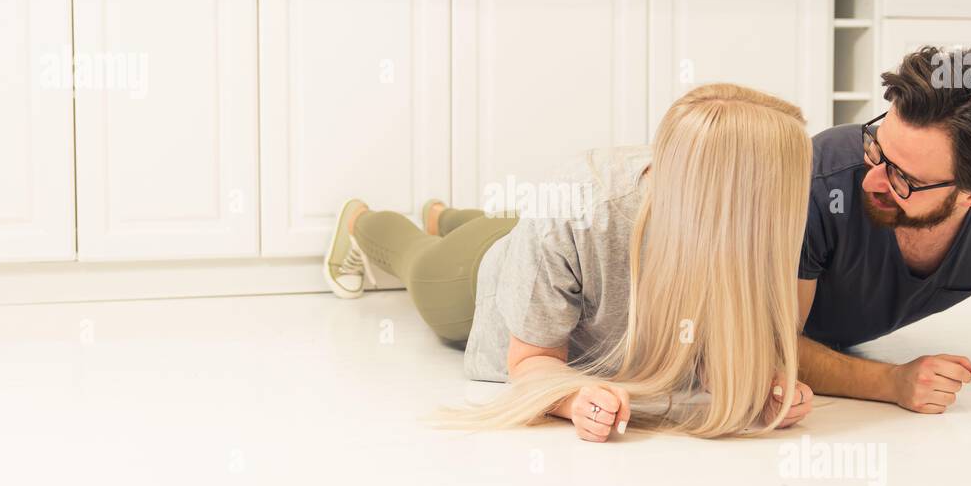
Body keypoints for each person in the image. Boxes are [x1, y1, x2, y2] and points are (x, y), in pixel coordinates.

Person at [324, 84, 815, 440]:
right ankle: (364, 222)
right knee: (424, 262)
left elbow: (708, 344)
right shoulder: (581, 204)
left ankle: (445, 214)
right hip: (478, 279)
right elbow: (531, 360)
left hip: (548, 231)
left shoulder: (734, 222)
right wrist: (572, 398)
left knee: (517, 222)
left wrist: (763, 387)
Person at [797, 46, 971, 413]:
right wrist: (890, 382)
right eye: (876, 148)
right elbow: (767, 348)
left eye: (903, 179)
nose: (872, 180)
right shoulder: (820, 184)